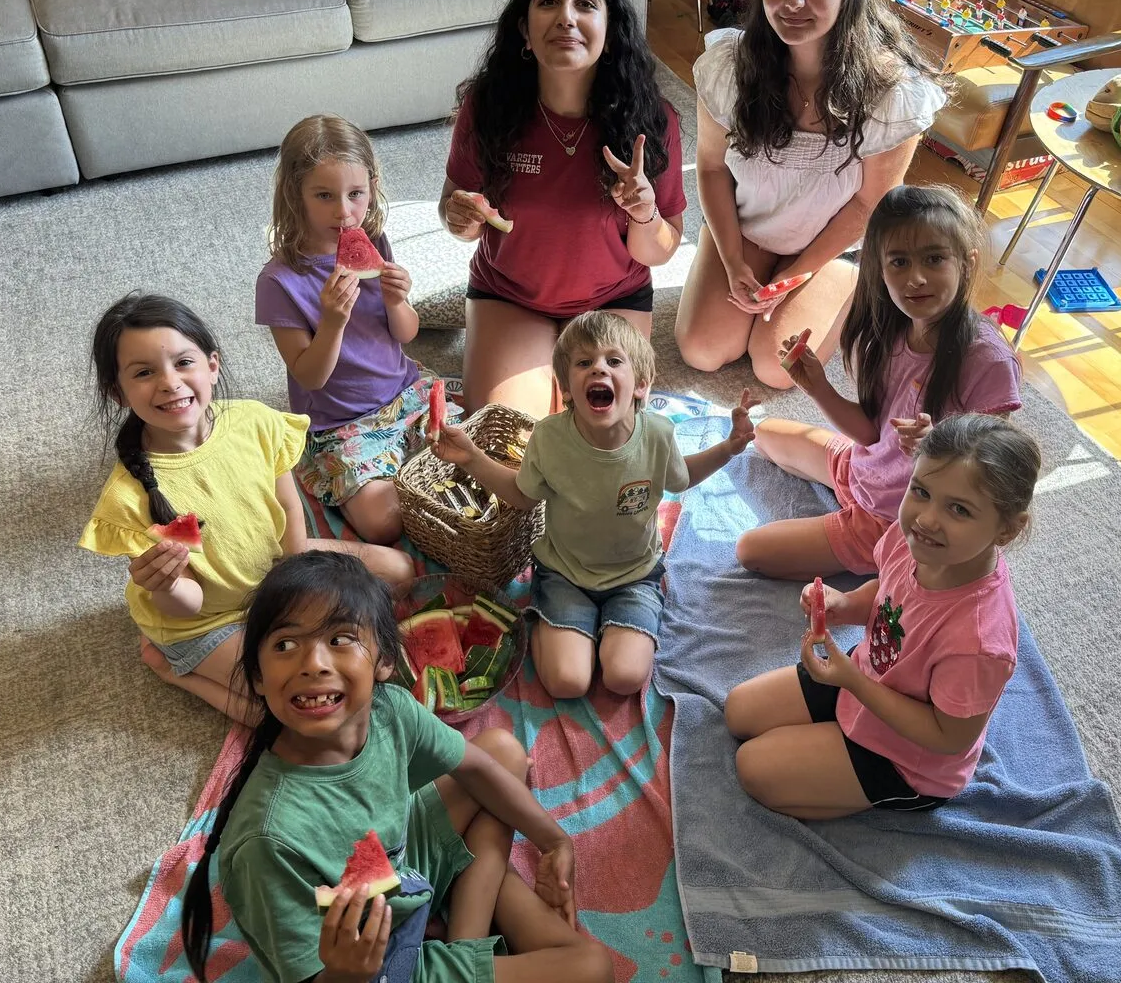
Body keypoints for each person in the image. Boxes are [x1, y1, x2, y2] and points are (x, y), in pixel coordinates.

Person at [179, 552, 613, 983]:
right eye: (286, 644)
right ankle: (464, 946)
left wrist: (555, 842)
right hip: (377, 965)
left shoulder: (389, 709)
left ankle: (464, 944)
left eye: (340, 639)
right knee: (593, 967)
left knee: (502, 752)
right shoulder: (267, 842)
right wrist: (347, 973)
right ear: (257, 676)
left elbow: (478, 768)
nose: (313, 663)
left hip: (398, 866)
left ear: (386, 660)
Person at [79, 294, 415, 722]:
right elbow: (191, 604)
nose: (169, 383)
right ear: (118, 392)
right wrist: (163, 586)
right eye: (144, 373)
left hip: (277, 566)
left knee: (400, 572)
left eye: (184, 363)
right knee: (284, 714)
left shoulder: (254, 422)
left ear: (212, 366)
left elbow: (291, 521)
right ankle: (176, 671)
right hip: (206, 620)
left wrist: (303, 589)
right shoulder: (128, 500)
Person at [675, 0, 946, 388]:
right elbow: (712, 168)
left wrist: (798, 275)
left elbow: (870, 205)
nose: (793, 1)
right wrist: (733, 259)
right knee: (702, 350)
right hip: (750, 230)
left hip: (830, 247)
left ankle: (853, 286)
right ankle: (741, 268)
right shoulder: (729, 67)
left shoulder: (892, 92)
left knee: (775, 370)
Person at [725, 415, 1041, 818]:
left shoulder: (979, 640)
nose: (927, 519)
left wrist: (851, 681)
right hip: (869, 675)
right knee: (738, 711)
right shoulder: (912, 539)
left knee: (753, 767)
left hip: (909, 760)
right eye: (921, 491)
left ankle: (883, 790)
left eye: (959, 509)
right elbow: (889, 588)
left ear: (1007, 531)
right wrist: (847, 604)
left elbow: (949, 737)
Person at [432, 312, 754, 699]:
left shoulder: (658, 434)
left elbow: (680, 477)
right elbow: (522, 495)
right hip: (564, 574)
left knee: (623, 677)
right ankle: (557, 628)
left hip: (635, 577)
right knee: (568, 683)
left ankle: (602, 630)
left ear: (641, 386)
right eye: (584, 363)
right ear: (567, 388)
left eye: (614, 361)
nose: (599, 368)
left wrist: (729, 448)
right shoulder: (548, 437)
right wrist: (470, 458)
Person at [439, 0, 687, 417]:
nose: (566, 17)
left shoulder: (653, 120)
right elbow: (457, 214)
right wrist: (460, 215)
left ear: (610, 32)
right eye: (548, 1)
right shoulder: (486, 107)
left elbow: (658, 249)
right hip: (509, 296)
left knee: (601, 441)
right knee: (510, 443)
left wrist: (644, 213)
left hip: (615, 300)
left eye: (586, 3)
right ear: (524, 30)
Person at [737, 185, 1021, 582]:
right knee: (761, 434)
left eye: (935, 259)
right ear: (879, 270)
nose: (916, 278)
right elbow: (871, 434)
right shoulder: (894, 331)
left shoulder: (988, 360)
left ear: (967, 264)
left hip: (896, 518)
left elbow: (1001, 474)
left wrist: (940, 448)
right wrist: (818, 386)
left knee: (750, 550)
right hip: (863, 468)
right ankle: (849, 496)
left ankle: (881, 554)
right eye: (899, 262)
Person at [257, 115, 456, 546]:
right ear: (296, 194)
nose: (344, 212)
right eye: (324, 196)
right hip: (341, 424)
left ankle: (407, 472)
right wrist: (332, 322)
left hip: (407, 394)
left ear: (372, 185)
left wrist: (398, 301)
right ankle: (357, 485)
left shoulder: (375, 240)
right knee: (384, 523)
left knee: (483, 463)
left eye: (355, 194)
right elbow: (310, 376)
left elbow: (405, 335)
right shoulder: (278, 282)